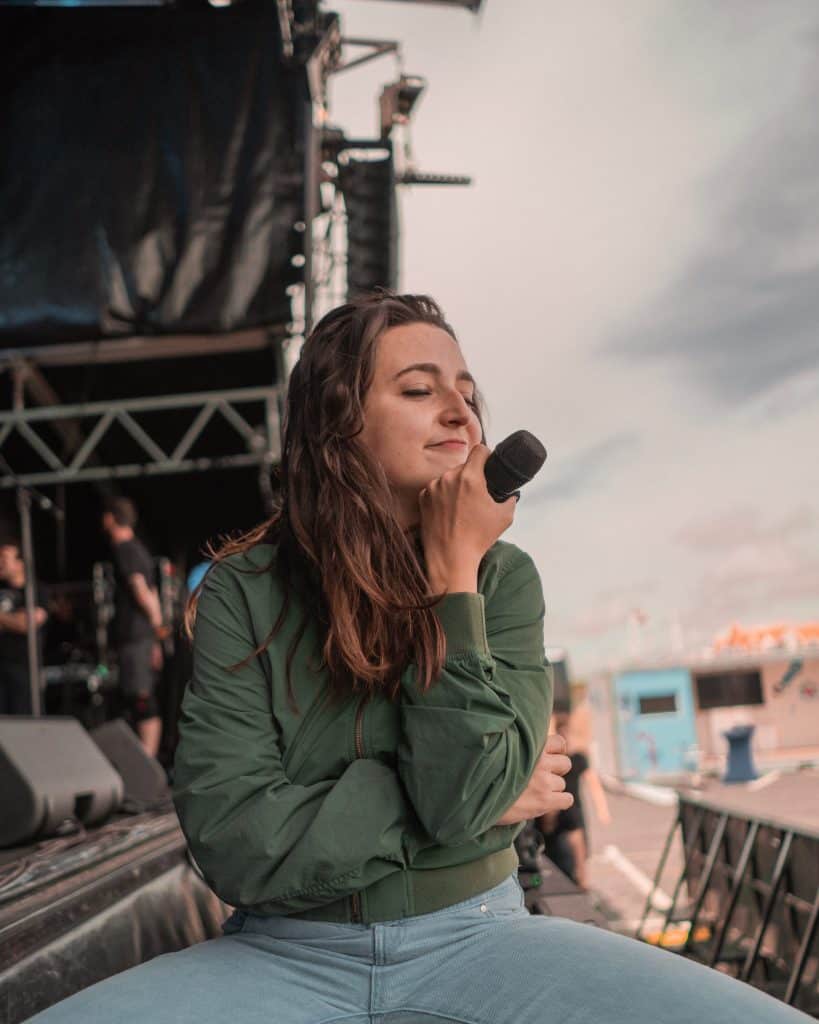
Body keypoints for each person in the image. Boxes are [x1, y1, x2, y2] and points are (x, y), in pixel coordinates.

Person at [31, 293, 809, 1023]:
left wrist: (452, 579)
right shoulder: (245, 588)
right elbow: (235, 843)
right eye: (416, 389)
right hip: (280, 953)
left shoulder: (501, 578)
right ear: (338, 423)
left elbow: (466, 792)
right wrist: (449, 797)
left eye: (466, 393)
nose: (459, 412)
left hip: (484, 936)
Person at [101, 497, 164, 757]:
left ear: (111, 519)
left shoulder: (126, 549)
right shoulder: (139, 548)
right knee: (134, 699)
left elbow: (142, 591)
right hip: (141, 637)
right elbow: (152, 592)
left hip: (135, 637)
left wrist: (157, 626)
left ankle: (147, 764)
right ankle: (144, 762)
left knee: (142, 700)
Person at [538, 709, 611, 890]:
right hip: (555, 810)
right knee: (555, 855)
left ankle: (581, 882)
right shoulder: (553, 759)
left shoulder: (578, 759)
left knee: (579, 853)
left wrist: (602, 809)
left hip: (573, 810)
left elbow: (593, 784)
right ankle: (575, 883)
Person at [0, 533, 48, 715]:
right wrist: (12, 619)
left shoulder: (37, 591)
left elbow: (26, 623)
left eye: (5, 558)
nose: (0, 563)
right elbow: (19, 621)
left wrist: (4, 619)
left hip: (24, 670)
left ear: (20, 562)